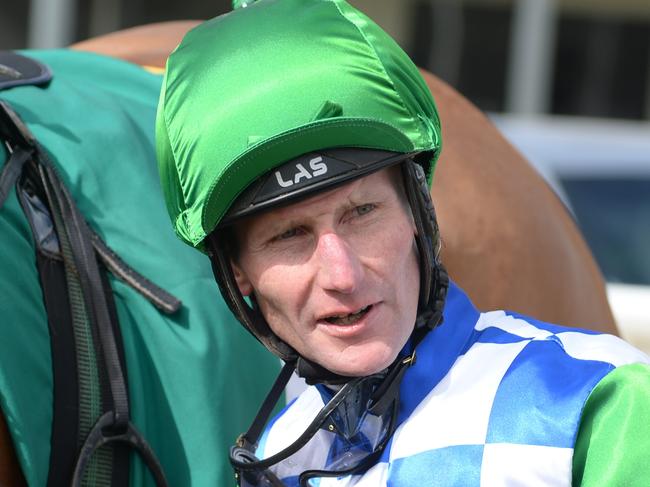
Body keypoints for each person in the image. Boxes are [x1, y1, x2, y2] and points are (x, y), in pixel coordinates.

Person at [155, 0, 650, 485]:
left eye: (362, 213)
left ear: (417, 212)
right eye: (289, 236)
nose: (342, 275)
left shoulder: (601, 401)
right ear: (238, 271)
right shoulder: (279, 450)